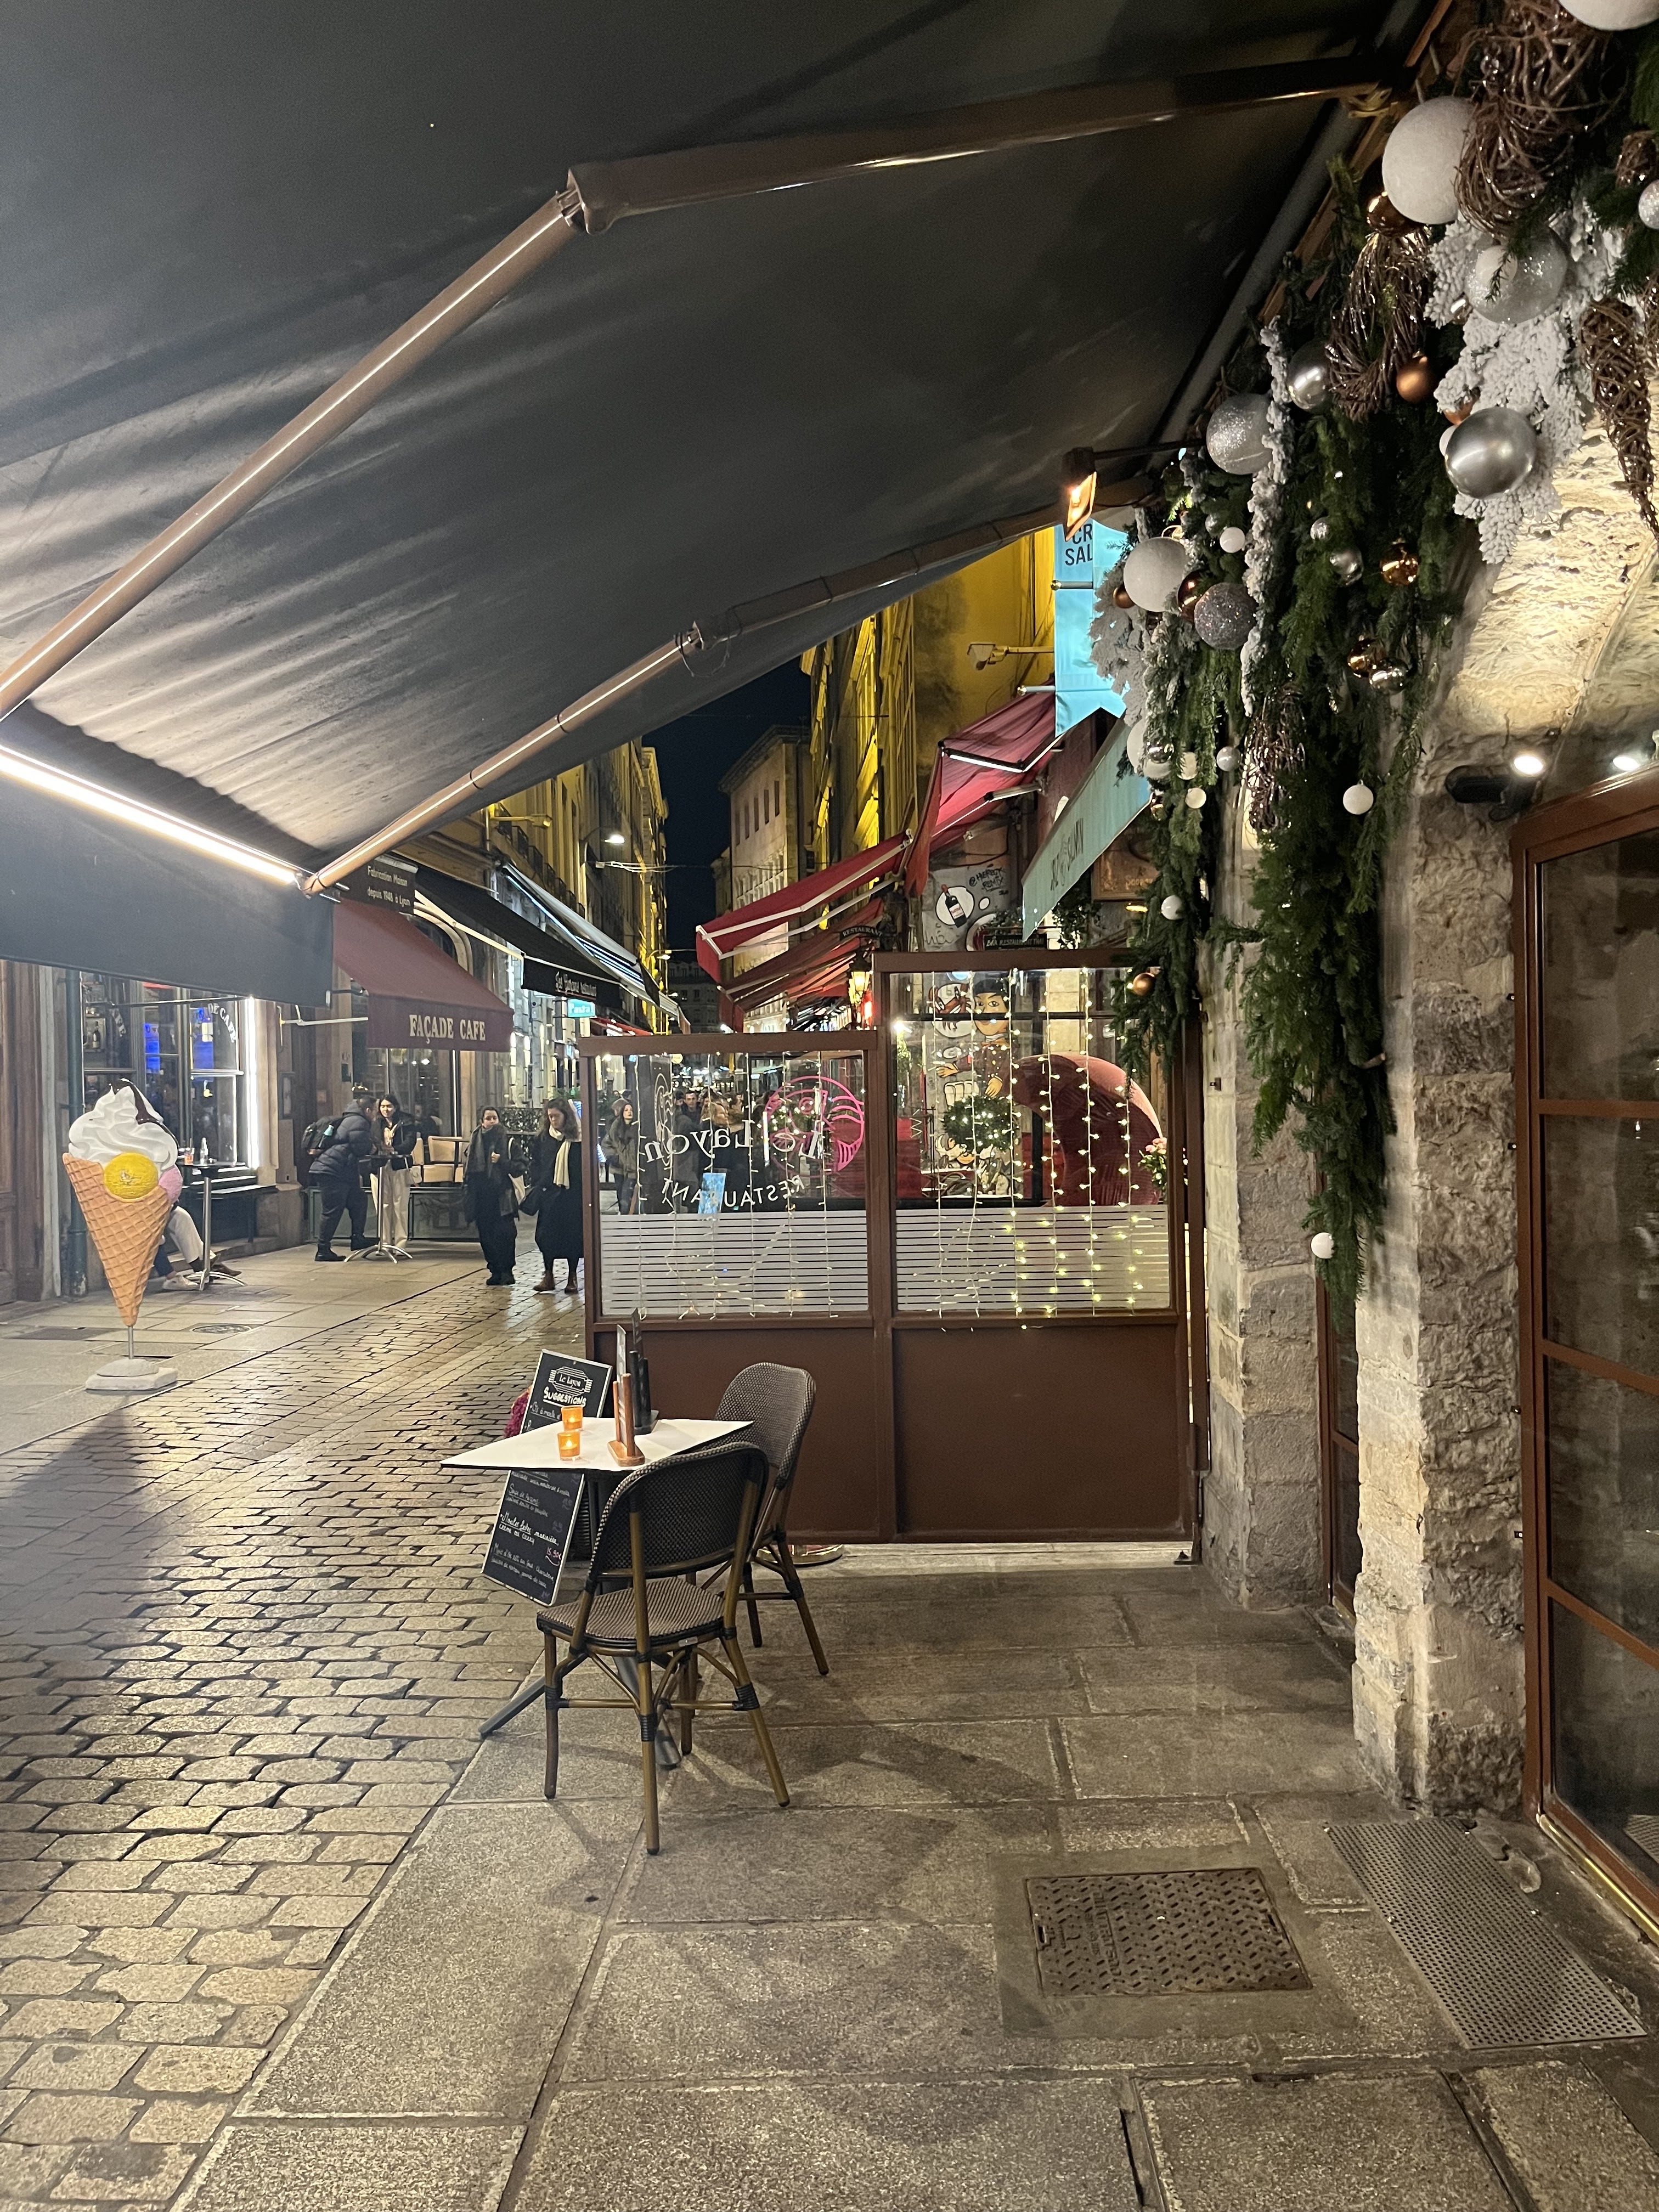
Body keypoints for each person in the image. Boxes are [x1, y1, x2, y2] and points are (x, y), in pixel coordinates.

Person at [311, 1091, 375, 1261]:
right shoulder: (359, 1121)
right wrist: (373, 1148)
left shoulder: (351, 1118)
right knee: (332, 1211)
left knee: (359, 1201)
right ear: (368, 1110)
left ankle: (358, 1238)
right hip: (333, 1171)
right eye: (375, 1110)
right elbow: (360, 1147)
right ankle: (323, 1250)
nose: (376, 1115)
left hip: (341, 1171)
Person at [528, 1097, 582, 1295]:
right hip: (549, 1194)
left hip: (571, 1195)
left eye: (556, 1116)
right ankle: (548, 1275)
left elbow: (582, 1166)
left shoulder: (576, 1139)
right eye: (550, 1116)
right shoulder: (544, 1138)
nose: (553, 1120)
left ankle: (572, 1276)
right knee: (545, 1236)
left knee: (572, 1236)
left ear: (566, 1116)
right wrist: (539, 1182)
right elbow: (536, 1162)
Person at [464, 1106, 519, 1285]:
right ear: (482, 1121)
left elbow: (521, 1167)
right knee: (486, 1236)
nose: (492, 1121)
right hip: (481, 1197)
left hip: (502, 1197)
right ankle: (495, 1270)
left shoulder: (509, 1142)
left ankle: (507, 1271)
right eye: (488, 1118)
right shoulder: (474, 1142)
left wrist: (502, 1161)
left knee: (506, 1235)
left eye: (495, 1118)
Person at [371, 1093, 419, 1257]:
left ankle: (401, 1244)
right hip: (379, 1167)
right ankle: (384, 1243)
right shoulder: (375, 1123)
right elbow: (372, 1141)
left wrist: (395, 1149)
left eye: (389, 1106)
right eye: (383, 1106)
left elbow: (410, 1142)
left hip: (399, 1167)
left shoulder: (406, 1122)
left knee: (400, 1206)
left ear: (396, 1107)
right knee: (382, 1206)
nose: (386, 1109)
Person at [603, 1098, 639, 1216]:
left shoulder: (638, 1128)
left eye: (631, 1110)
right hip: (619, 1167)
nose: (629, 1112)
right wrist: (614, 1157)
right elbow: (606, 1144)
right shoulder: (615, 1128)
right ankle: (623, 1214)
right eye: (626, 1110)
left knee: (628, 1194)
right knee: (620, 1192)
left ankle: (627, 1214)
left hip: (632, 1168)